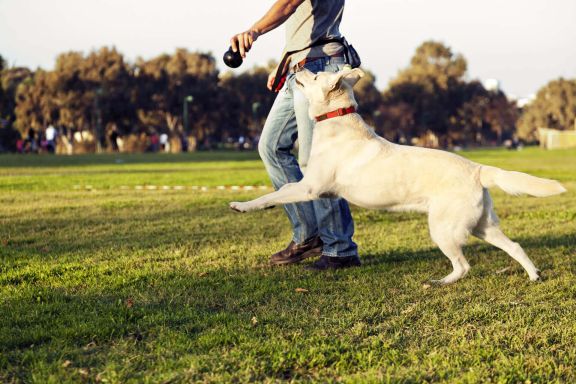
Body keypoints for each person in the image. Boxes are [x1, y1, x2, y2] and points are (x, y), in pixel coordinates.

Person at [230, 0, 360, 270]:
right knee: (271, 147)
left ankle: (339, 249)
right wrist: (285, 62)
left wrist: (253, 31)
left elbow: (289, 3)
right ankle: (308, 236)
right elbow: (305, 23)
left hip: (320, 68)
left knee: (316, 163)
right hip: (300, 67)